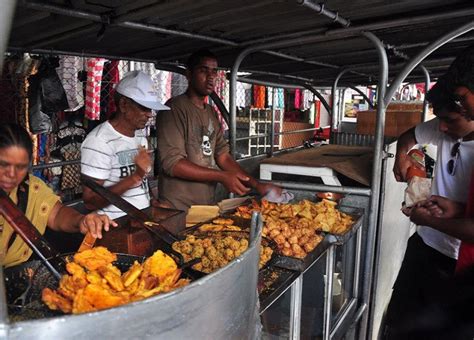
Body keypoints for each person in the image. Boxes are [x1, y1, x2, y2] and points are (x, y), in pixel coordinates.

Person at [385, 81, 474, 338]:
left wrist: (427, 220)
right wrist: (402, 156)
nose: (441, 127)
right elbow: (408, 137)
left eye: (450, 120)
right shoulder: (443, 127)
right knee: (400, 320)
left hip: (458, 263)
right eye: (439, 119)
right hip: (425, 246)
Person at [156, 49, 281, 211]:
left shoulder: (210, 112)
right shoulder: (174, 109)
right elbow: (173, 164)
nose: (210, 77)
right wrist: (222, 176)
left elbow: (222, 156)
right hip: (177, 207)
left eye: (214, 72)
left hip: (205, 205)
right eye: (203, 71)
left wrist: (256, 184)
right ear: (188, 74)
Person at [0, 124, 117, 268]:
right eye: (3, 164)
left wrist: (81, 221)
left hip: (15, 278)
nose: (11, 174)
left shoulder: (31, 189)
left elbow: (56, 214)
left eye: (20, 167)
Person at [81, 71, 169, 219]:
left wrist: (152, 202)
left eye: (151, 109)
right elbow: (90, 201)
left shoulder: (140, 137)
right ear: (123, 105)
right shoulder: (99, 141)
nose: (150, 114)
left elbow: (143, 183)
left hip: (140, 222)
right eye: (144, 108)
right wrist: (134, 177)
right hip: (114, 229)